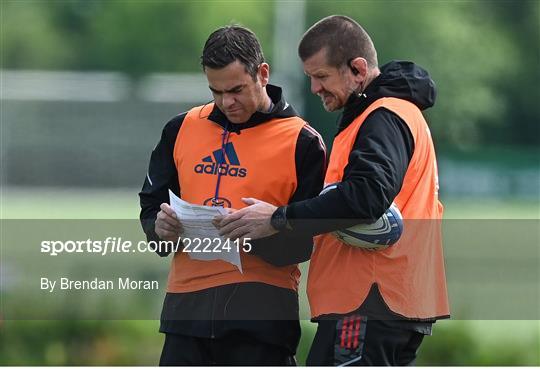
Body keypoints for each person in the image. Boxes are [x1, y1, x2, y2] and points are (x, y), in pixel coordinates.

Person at [217, 15, 450, 366]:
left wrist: (278, 218)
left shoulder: (383, 115)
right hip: (392, 302)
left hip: (368, 301)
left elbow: (366, 198)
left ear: (357, 69)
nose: (314, 88)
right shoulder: (387, 113)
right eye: (311, 77)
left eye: (321, 76)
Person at [138, 25, 325, 366]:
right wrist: (158, 229)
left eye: (236, 90)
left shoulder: (304, 143)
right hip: (186, 315)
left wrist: (265, 227)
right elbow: (151, 206)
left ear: (262, 74)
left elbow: (305, 244)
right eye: (216, 91)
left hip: (261, 320)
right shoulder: (180, 128)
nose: (227, 102)